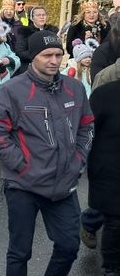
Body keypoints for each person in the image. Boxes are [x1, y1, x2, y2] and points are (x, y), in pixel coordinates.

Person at [0, 31, 94, 276]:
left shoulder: (74, 89)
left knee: (68, 246)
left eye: (58, 55)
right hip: (23, 186)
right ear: (33, 57)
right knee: (20, 252)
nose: (54, 61)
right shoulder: (11, 91)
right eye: (47, 55)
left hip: (64, 184)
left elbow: (87, 125)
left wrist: (78, 159)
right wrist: (22, 165)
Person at [87, 60, 120, 275]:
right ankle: (111, 268)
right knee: (116, 221)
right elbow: (85, 132)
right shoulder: (104, 94)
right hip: (109, 167)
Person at [14, 6, 58, 75]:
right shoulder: (25, 32)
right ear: (32, 18)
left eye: (43, 15)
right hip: (30, 67)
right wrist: (37, 55)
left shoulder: (52, 32)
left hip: (49, 67)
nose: (41, 17)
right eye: (38, 15)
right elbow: (20, 52)